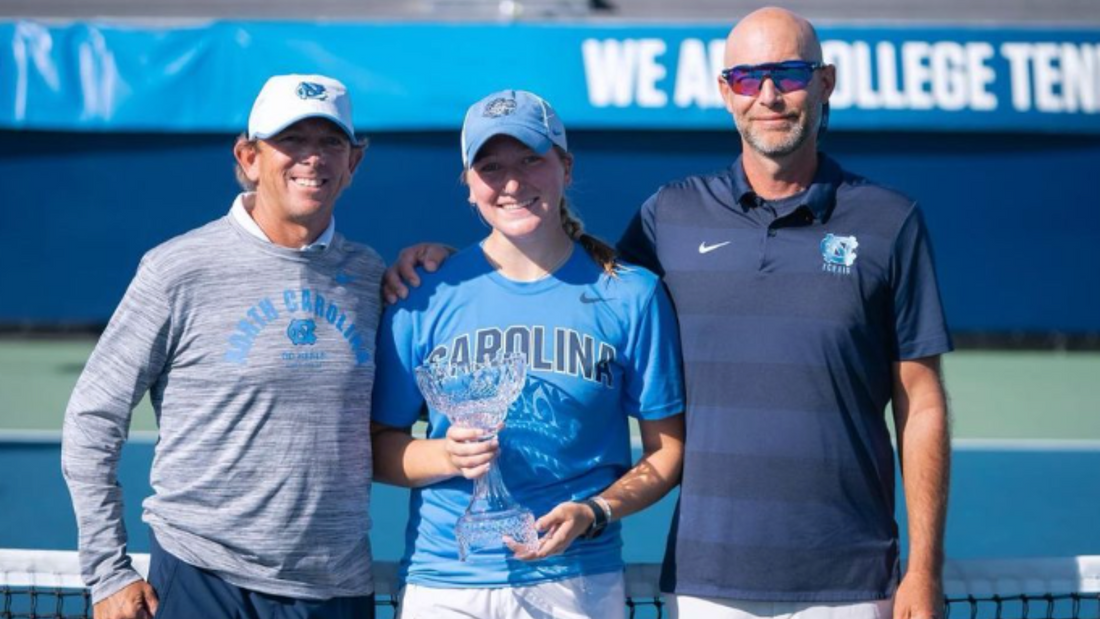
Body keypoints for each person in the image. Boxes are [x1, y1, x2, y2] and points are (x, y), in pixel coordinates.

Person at [384, 7, 953, 619]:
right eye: (746, 79)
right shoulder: (670, 218)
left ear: (825, 83)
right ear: (724, 92)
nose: (767, 95)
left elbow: (921, 402)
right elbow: (558, 265)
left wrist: (924, 569)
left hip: (850, 578)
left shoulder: (889, 221)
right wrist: (445, 263)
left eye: (788, 74)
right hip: (701, 582)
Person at [62, 74, 384, 619]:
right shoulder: (177, 269)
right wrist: (107, 571)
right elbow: (93, 417)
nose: (312, 158)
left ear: (353, 162)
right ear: (249, 156)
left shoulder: (372, 276)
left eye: (329, 142)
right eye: (291, 140)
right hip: (201, 579)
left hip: (336, 587)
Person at [370, 89, 685, 619]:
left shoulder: (631, 295)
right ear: (469, 186)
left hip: (577, 580)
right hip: (447, 582)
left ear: (565, 166)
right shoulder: (421, 296)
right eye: (491, 167)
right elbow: (376, 446)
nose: (512, 183)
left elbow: (667, 452)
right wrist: (445, 456)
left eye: (531, 160)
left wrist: (596, 510)